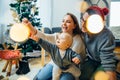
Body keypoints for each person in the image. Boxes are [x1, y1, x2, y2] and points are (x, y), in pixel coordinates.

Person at [22, 13, 86, 80]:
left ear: (74, 26)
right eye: (63, 21)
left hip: (70, 68)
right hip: (56, 63)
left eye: (68, 22)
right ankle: (43, 71)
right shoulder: (58, 36)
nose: (64, 23)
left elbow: (71, 59)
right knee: (41, 77)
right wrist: (30, 27)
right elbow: (44, 36)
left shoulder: (78, 40)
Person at [79, 6, 117, 80]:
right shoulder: (83, 30)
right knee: (81, 76)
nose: (83, 25)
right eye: (82, 20)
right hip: (92, 59)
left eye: (87, 23)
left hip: (104, 60)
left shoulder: (106, 36)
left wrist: (110, 73)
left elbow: (108, 63)